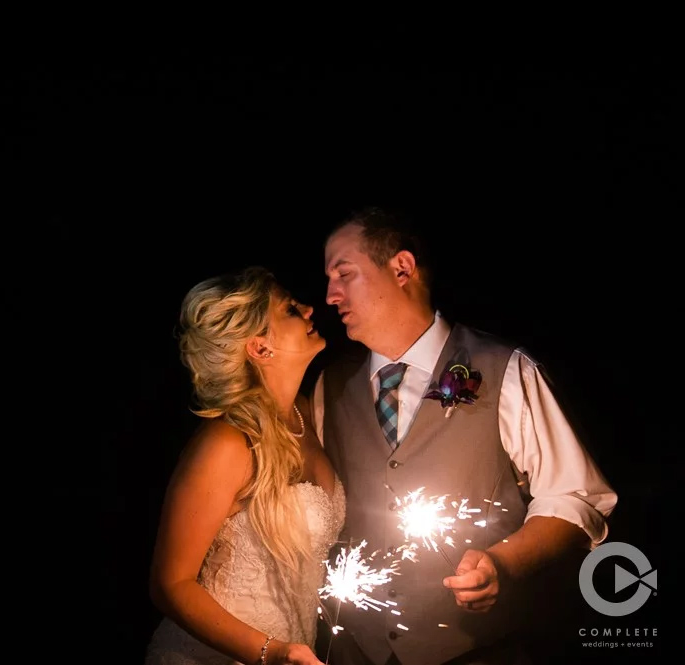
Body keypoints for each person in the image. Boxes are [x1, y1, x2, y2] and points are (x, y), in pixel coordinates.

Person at [312, 206, 618, 665]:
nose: (330, 296)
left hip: (478, 651)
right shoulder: (328, 387)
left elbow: (576, 498)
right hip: (356, 651)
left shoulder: (505, 369)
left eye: (344, 274)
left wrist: (503, 564)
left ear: (402, 268)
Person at [145, 266, 345, 665]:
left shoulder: (310, 412)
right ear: (259, 348)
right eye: (289, 309)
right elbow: (169, 584)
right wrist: (270, 653)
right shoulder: (227, 443)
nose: (308, 309)